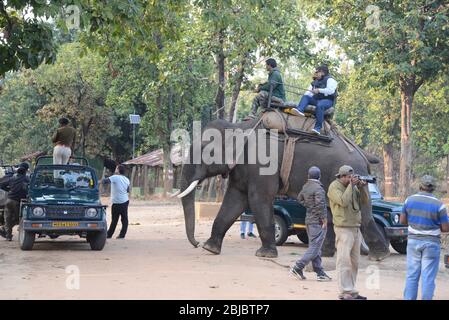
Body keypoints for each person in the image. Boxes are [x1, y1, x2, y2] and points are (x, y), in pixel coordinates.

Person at [401, 175, 449, 300]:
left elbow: (402, 220)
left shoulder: (409, 200)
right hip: (431, 243)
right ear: (433, 188)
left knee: (412, 274)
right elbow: (445, 228)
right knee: (428, 276)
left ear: (420, 185)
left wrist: (414, 222)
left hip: (413, 242)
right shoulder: (439, 205)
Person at [327, 165, 368, 300]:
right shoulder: (334, 187)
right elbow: (343, 201)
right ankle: (345, 291)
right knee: (343, 261)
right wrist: (352, 185)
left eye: (352, 177)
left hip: (355, 228)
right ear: (342, 176)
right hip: (343, 228)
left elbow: (364, 201)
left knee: (355, 262)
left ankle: (352, 290)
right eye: (349, 177)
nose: (351, 179)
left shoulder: (353, 187)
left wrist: (362, 188)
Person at [290, 166, 332, 281]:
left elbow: (299, 199)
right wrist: (324, 219)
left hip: (308, 220)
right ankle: (298, 267)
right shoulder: (318, 188)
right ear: (319, 176)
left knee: (315, 247)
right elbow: (320, 205)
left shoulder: (306, 186)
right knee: (315, 247)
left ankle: (320, 272)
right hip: (317, 222)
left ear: (308, 176)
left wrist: (309, 206)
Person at [295, 65, 338, 135]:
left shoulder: (330, 80)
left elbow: (331, 91)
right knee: (306, 97)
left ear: (322, 73)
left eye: (317, 72)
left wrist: (319, 90)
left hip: (327, 101)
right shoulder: (315, 81)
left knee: (320, 105)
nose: (316, 74)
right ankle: (300, 110)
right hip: (317, 99)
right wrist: (306, 95)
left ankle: (318, 128)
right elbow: (308, 92)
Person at [0, 162, 30, 241]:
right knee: (17, 219)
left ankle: (8, 236)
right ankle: (4, 229)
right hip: (19, 202)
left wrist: (9, 190)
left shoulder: (12, 178)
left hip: (9, 200)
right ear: (26, 170)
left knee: (7, 218)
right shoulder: (27, 179)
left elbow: (2, 185)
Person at [101, 164, 130, 239]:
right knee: (124, 219)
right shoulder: (127, 179)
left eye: (116, 168)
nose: (115, 169)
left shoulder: (115, 177)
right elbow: (128, 190)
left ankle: (109, 234)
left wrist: (103, 177)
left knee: (114, 219)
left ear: (118, 170)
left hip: (117, 202)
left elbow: (104, 181)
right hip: (125, 201)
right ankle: (122, 235)